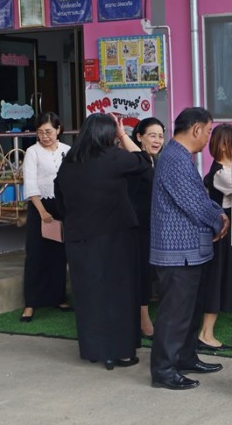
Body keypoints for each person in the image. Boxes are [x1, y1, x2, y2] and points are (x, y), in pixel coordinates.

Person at [54, 113, 151, 370]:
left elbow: (59, 202)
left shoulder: (69, 162)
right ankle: (119, 353)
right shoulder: (114, 157)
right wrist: (123, 135)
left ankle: (94, 350)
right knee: (119, 295)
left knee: (89, 296)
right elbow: (144, 161)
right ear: (109, 135)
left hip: (78, 239)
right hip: (115, 237)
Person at [149, 107, 229, 390]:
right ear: (196, 129)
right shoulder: (174, 158)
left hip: (189, 252)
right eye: (208, 131)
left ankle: (185, 357)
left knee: (189, 310)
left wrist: (217, 213)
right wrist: (218, 219)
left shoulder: (180, 156)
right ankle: (163, 370)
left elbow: (200, 197)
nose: (208, 138)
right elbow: (194, 203)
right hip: (177, 252)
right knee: (175, 313)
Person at [198, 123, 232, 352]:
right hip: (223, 234)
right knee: (217, 281)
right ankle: (205, 334)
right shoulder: (220, 173)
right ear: (225, 145)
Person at [20, 112, 72, 322]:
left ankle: (58, 297)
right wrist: (42, 212)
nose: (45, 136)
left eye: (49, 131)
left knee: (59, 254)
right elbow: (30, 183)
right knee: (36, 253)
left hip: (62, 206)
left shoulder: (67, 150)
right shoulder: (32, 152)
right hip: (39, 206)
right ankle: (30, 303)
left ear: (58, 130)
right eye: (40, 132)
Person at [128, 117, 166, 339]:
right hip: (136, 226)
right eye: (152, 135)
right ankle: (143, 320)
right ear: (139, 137)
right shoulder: (134, 162)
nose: (157, 140)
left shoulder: (155, 161)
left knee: (148, 273)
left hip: (153, 226)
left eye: (160, 136)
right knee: (141, 273)